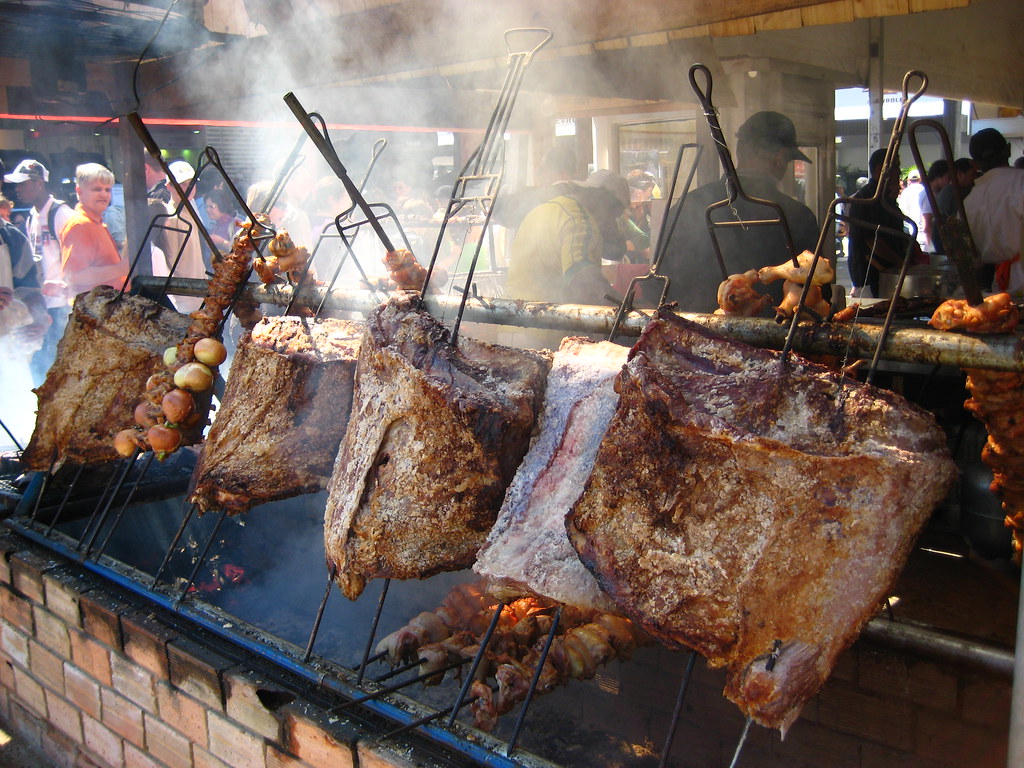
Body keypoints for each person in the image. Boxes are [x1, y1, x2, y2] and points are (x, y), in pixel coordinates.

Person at [659, 111, 819, 313]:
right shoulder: (797, 217)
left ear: (739, 152)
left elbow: (655, 285)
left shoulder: (688, 204)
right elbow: (814, 298)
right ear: (780, 158)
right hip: (772, 342)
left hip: (687, 339)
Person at [503, 170, 624, 306]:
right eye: (614, 214)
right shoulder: (581, 221)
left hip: (514, 318)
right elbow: (587, 286)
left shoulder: (549, 208)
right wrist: (631, 309)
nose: (612, 222)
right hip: (545, 322)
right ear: (605, 203)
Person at [4, 158, 74, 384]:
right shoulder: (33, 216)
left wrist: (65, 285)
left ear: (39, 183)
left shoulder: (61, 214)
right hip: (41, 305)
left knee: (55, 367)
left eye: (23, 183)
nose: (18, 188)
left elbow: (75, 256)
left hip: (59, 307)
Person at [963, 128, 1024, 297]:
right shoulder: (1021, 182)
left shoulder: (969, 201)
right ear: (1009, 150)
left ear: (974, 164)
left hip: (998, 288)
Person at [845, 148, 914, 298]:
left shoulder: (886, 198)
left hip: (887, 278)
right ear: (880, 169)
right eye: (896, 167)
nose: (899, 172)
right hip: (869, 280)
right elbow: (872, 241)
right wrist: (900, 263)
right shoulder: (866, 199)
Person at [58, 163, 129, 298]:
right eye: (97, 189)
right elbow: (73, 276)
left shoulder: (96, 222)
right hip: (96, 311)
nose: (104, 194)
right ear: (79, 192)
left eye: (108, 190)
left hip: (108, 307)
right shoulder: (80, 225)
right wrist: (119, 269)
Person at [154, 160, 207, 313]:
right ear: (169, 186)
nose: (189, 188)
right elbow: (171, 261)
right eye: (182, 184)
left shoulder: (192, 208)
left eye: (191, 183)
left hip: (200, 290)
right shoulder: (170, 218)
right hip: (184, 297)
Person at [918, 159, 951, 255]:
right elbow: (927, 225)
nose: (950, 181)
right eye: (948, 177)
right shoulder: (929, 195)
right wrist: (934, 249)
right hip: (932, 247)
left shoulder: (936, 193)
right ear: (938, 176)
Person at [897, 167, 927, 249]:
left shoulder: (905, 192)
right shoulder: (925, 191)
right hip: (926, 236)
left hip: (912, 233)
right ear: (920, 179)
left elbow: (902, 212)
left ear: (908, 180)